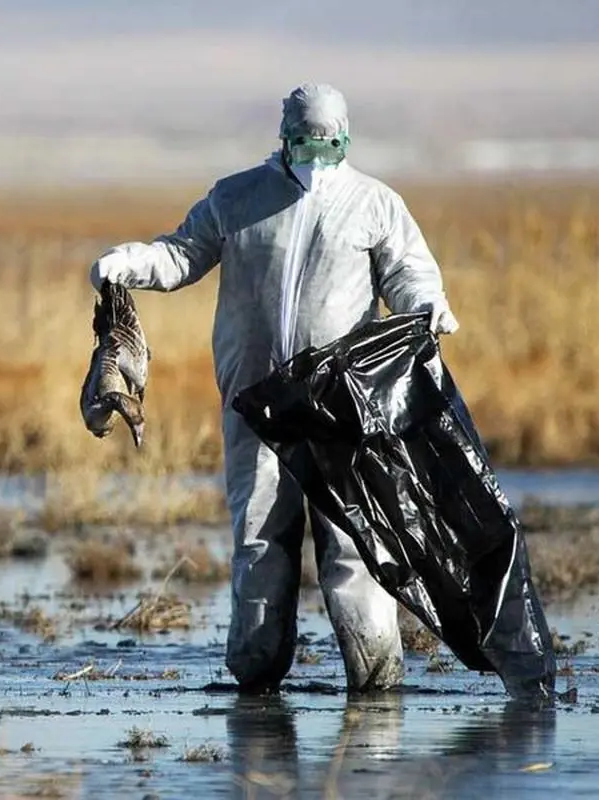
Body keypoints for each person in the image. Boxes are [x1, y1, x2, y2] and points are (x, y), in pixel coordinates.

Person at [88, 82, 460, 695]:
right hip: (256, 404)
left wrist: (429, 305)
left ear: (345, 140)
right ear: (284, 139)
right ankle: (256, 680)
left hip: (343, 409)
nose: (318, 159)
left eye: (329, 146)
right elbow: (183, 254)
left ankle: (376, 686)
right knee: (260, 536)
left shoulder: (374, 204)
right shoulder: (238, 198)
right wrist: (130, 263)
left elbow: (408, 272)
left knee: (354, 544)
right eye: (306, 144)